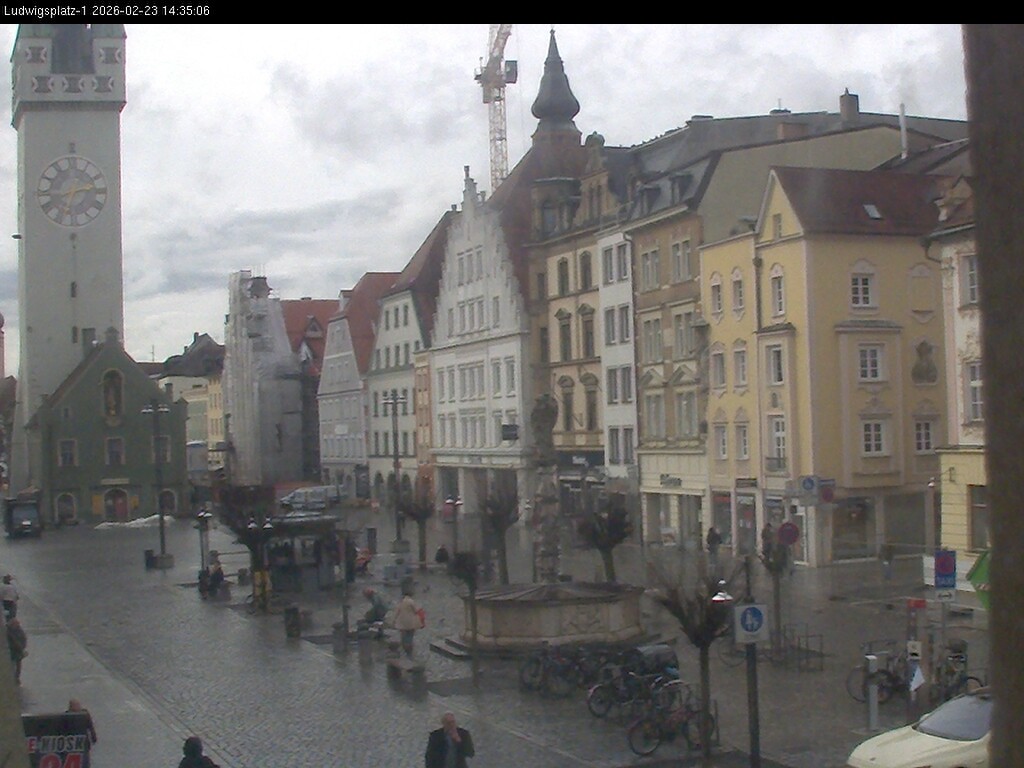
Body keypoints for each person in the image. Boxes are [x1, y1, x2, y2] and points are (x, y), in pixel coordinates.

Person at [66, 699, 98, 767]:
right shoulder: (67, 715)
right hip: (72, 743)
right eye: (74, 706)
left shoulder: (84, 714)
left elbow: (90, 726)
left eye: (77, 705)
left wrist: (93, 737)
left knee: (84, 759)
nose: (77, 707)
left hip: (83, 743)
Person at [393, 589, 422, 658]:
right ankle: (409, 649)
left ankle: (404, 648)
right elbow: (416, 611)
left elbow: (397, 612)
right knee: (410, 635)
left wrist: (394, 620)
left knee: (403, 635)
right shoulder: (411, 601)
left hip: (402, 622)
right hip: (410, 621)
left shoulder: (401, 602)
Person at [6, 617, 27, 685]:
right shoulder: (10, 632)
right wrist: (21, 648)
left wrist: (22, 647)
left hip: (17, 651)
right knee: (15, 665)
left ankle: (16, 678)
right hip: (14, 650)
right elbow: (15, 641)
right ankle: (15, 678)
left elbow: (24, 639)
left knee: (17, 665)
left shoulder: (17, 630)